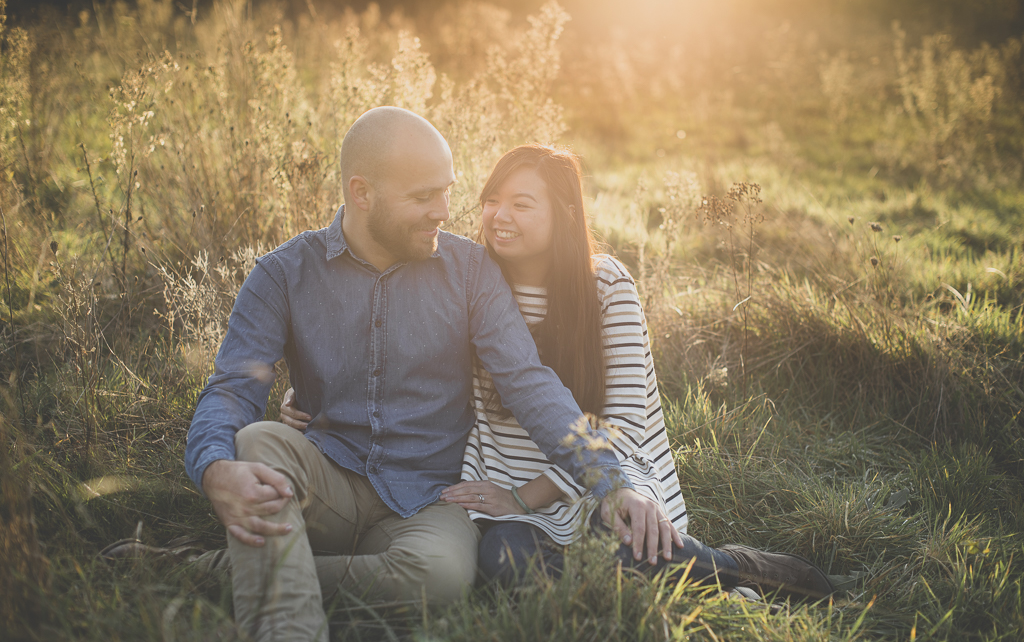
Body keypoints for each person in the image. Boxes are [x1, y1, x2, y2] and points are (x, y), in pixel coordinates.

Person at [183, 108, 680, 642]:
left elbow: (530, 383)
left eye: (446, 192)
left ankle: (229, 567)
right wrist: (214, 468)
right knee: (257, 439)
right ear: (361, 193)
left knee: (443, 579)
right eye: (424, 197)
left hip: (431, 495)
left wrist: (609, 481)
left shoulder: (469, 270)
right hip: (327, 474)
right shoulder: (282, 274)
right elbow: (231, 391)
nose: (444, 212)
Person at [281, 144, 836, 603]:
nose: (500, 216)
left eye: (522, 204)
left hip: (603, 472)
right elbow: (400, 358)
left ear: (562, 215)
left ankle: (755, 575)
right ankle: (645, 597)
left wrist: (530, 495)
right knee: (503, 567)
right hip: (502, 477)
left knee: (621, 542)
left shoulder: (606, 286)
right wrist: (314, 396)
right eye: (492, 200)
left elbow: (620, 423)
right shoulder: (467, 277)